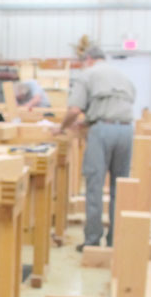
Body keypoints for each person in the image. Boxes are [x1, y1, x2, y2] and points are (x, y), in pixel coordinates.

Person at [57, 46, 136, 249]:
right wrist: (90, 120)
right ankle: (115, 241)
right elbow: (116, 107)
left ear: (89, 60)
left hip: (102, 132)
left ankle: (92, 240)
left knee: (95, 186)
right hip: (126, 131)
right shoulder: (122, 76)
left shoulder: (88, 74)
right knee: (120, 188)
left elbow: (75, 110)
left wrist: (61, 128)